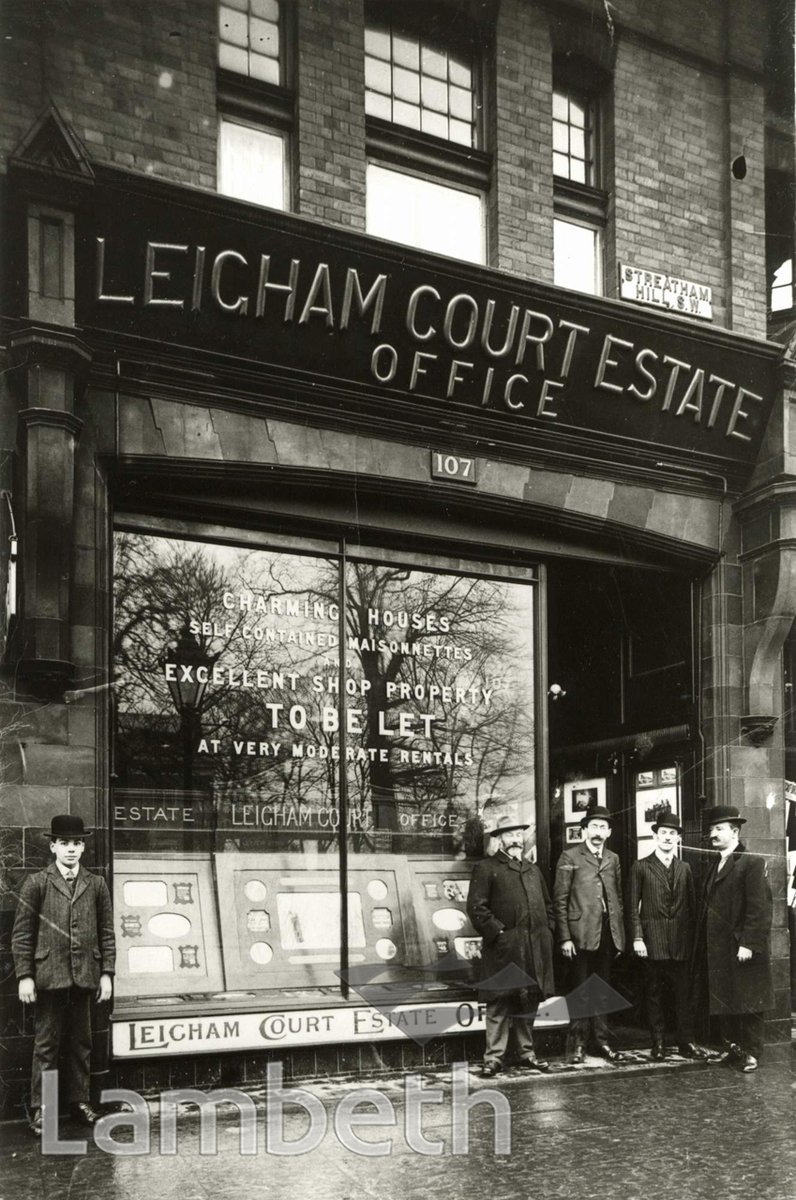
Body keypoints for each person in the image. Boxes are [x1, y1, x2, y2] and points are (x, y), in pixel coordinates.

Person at [11, 814, 116, 1136]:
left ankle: (79, 1102)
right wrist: (25, 976)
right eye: (65, 843)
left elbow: (107, 933)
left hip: (85, 976)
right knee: (47, 1045)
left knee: (81, 1043)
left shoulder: (95, 884)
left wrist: (107, 973)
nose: (71, 849)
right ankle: (42, 1109)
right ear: (53, 846)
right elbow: (22, 935)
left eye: (77, 843)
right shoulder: (37, 883)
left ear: (83, 848)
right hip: (49, 977)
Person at [467, 810, 556, 1077]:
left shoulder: (532, 870)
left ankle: (527, 1054)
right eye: (510, 835)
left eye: (519, 834)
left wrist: (547, 931)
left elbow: (548, 905)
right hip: (504, 949)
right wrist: (500, 934)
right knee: (500, 1003)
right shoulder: (487, 868)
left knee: (529, 1002)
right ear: (500, 839)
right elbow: (477, 909)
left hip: (534, 948)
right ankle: (493, 1058)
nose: (516, 839)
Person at [693, 805, 774, 1073]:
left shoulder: (751, 863)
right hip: (720, 948)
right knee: (726, 999)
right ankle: (733, 1049)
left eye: (719, 829)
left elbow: (759, 908)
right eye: (711, 829)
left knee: (748, 1002)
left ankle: (752, 1053)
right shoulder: (716, 863)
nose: (712, 834)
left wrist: (749, 943)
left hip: (741, 947)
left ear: (735, 832)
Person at [628, 812, 708, 1059]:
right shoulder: (641, 866)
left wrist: (693, 943)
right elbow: (632, 906)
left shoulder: (685, 868)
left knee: (684, 995)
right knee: (654, 995)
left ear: (678, 839)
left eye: (672, 834)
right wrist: (637, 938)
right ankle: (658, 1043)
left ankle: (686, 1042)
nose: (667, 837)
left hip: (680, 944)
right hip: (652, 943)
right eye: (663, 833)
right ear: (655, 836)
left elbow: (693, 908)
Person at [553, 805, 626, 1062]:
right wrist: (564, 938)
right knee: (580, 991)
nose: (598, 832)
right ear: (584, 830)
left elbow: (617, 897)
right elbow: (559, 901)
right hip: (579, 935)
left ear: (609, 832)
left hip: (607, 933)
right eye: (593, 827)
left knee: (603, 990)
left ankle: (602, 1042)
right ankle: (578, 1045)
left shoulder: (613, 859)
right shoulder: (569, 857)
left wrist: (619, 935)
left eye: (603, 827)